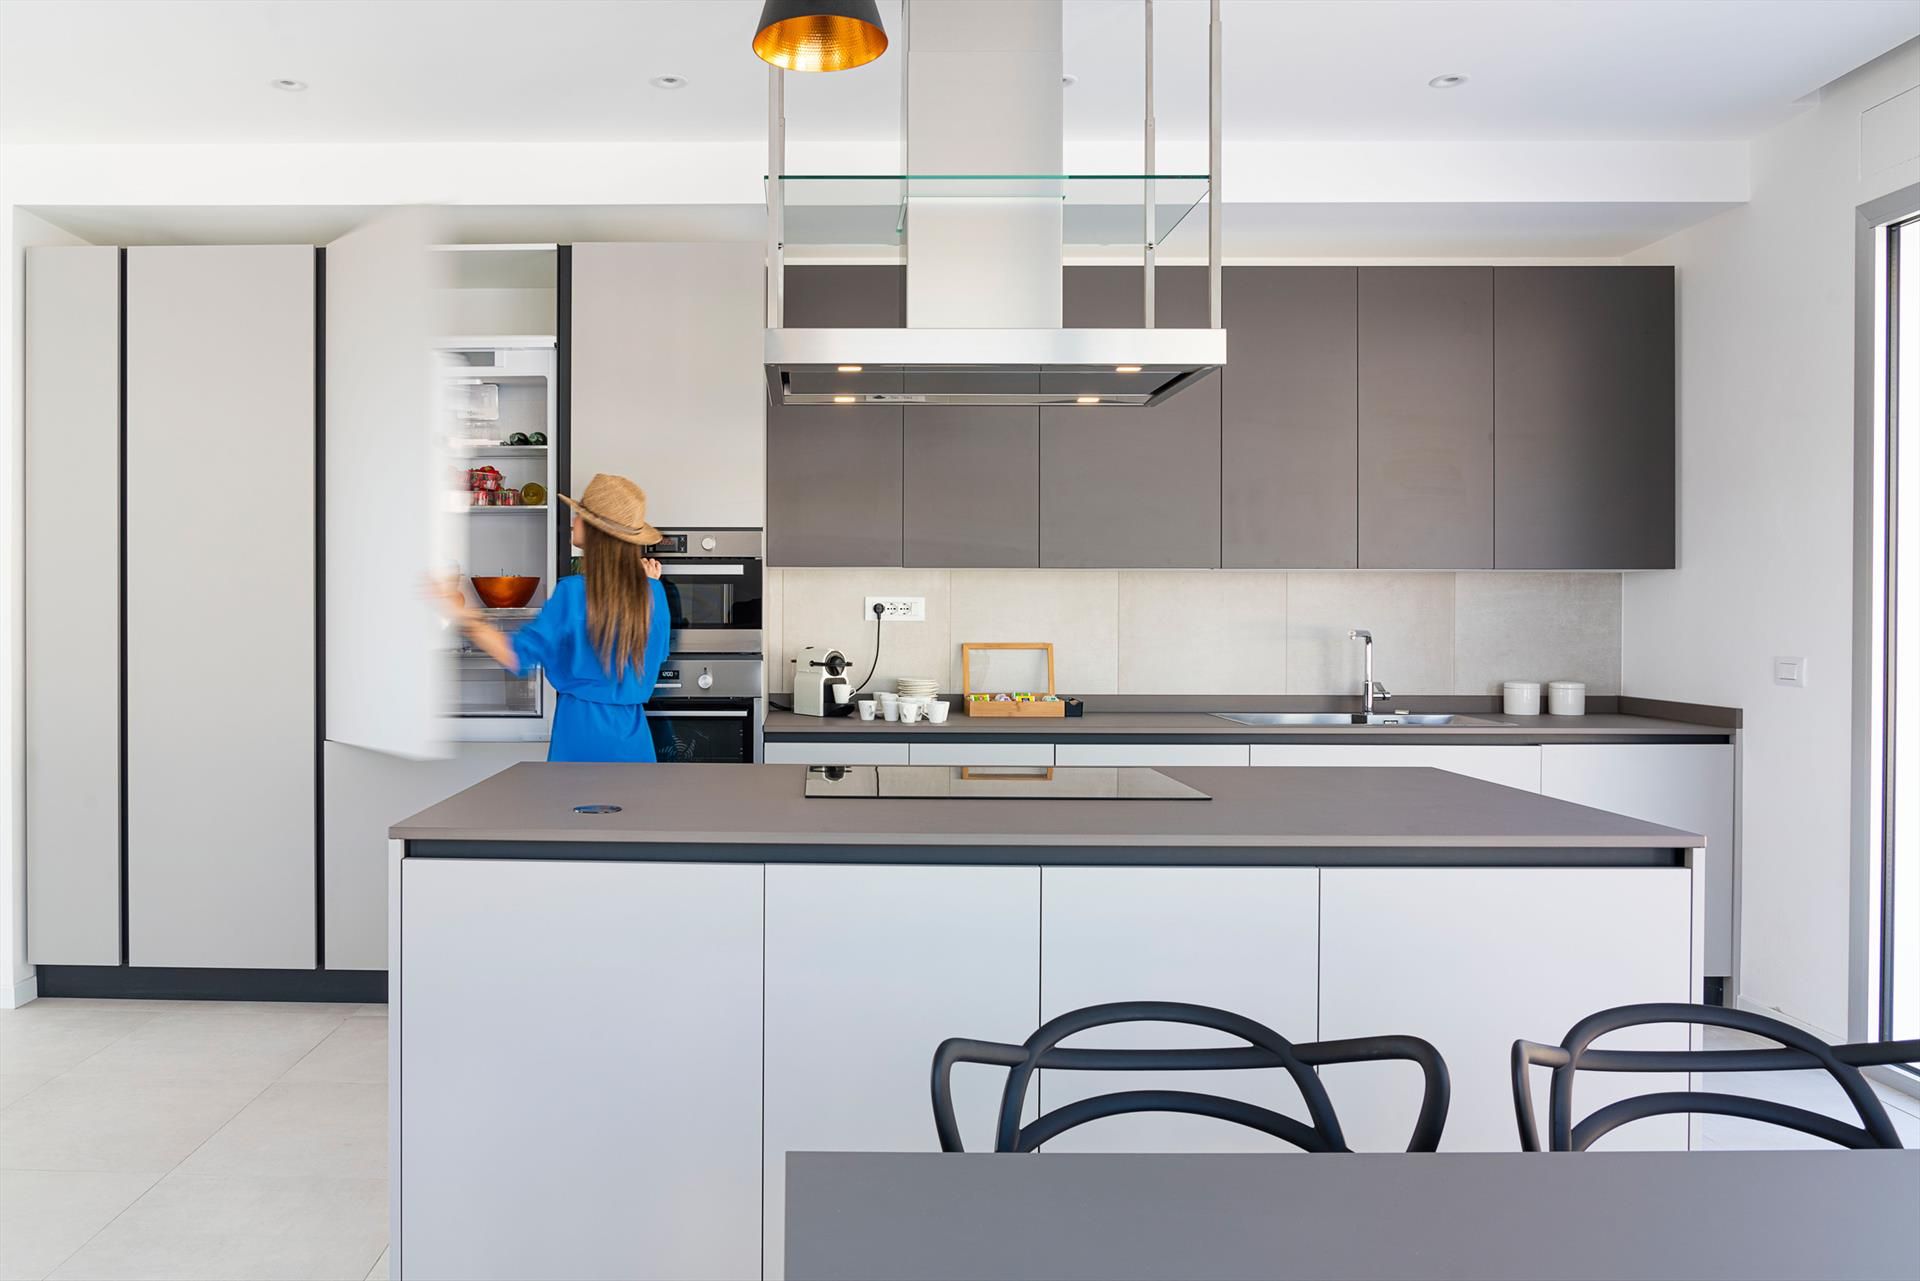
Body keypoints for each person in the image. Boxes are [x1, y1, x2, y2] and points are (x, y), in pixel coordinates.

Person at [442, 473, 672, 762]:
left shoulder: (573, 593)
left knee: (571, 794)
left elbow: (515, 655)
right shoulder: (655, 593)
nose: (573, 521)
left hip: (580, 737)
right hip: (634, 741)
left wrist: (458, 612)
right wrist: (648, 584)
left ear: (595, 530)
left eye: (579, 514)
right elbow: (653, 656)